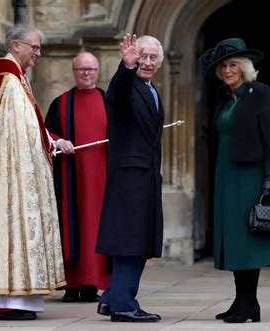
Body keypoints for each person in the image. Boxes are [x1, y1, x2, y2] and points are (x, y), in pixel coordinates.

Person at [0, 25, 66, 321]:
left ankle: (13, 300)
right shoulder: (9, 81)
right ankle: (9, 301)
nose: (38, 53)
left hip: (16, 170)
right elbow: (15, 134)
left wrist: (53, 141)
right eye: (34, 47)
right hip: (14, 174)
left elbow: (30, 126)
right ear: (17, 45)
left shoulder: (15, 78)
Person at [199, 38, 270, 323]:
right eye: (224, 66)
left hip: (251, 176)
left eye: (233, 65)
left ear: (245, 68)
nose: (227, 71)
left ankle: (248, 303)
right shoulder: (226, 98)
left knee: (248, 241)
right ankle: (244, 301)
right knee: (235, 241)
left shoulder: (260, 93)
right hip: (227, 176)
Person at [95, 33, 164, 323]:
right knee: (130, 241)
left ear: (160, 62)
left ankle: (112, 299)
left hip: (146, 178)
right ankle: (124, 304)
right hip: (130, 178)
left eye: (152, 58)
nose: (146, 63)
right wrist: (125, 68)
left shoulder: (151, 89)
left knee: (138, 239)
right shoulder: (129, 85)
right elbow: (116, 97)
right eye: (142, 56)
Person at [44, 52, 110, 303]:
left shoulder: (109, 101)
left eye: (91, 69)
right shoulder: (60, 103)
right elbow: (46, 132)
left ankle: (92, 284)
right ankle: (71, 285)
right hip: (70, 179)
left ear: (98, 71)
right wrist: (59, 140)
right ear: (74, 71)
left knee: (97, 228)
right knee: (70, 226)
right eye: (82, 69)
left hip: (102, 180)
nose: (86, 73)